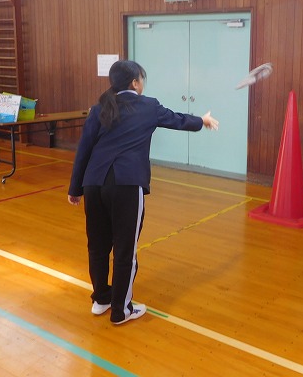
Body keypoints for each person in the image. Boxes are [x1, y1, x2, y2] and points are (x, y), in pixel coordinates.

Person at [67, 60, 219, 325]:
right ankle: (121, 310)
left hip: (94, 184)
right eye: (141, 79)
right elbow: (178, 119)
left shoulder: (98, 108)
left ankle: (101, 299)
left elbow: (84, 150)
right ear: (135, 83)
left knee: (98, 246)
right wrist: (202, 121)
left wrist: (75, 188)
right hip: (126, 185)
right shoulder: (148, 106)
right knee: (125, 249)